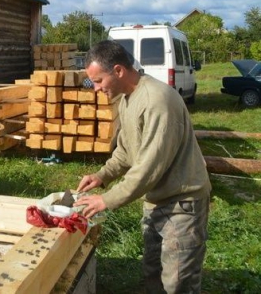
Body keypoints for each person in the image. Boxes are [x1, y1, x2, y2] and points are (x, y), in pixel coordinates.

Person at [74, 40, 211, 293]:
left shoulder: (157, 100)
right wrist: (102, 175)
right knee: (154, 275)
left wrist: (106, 199)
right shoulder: (127, 99)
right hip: (157, 200)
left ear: (118, 71)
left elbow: (150, 165)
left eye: (99, 81)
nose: (95, 89)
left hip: (181, 204)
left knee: (178, 283)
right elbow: (126, 151)